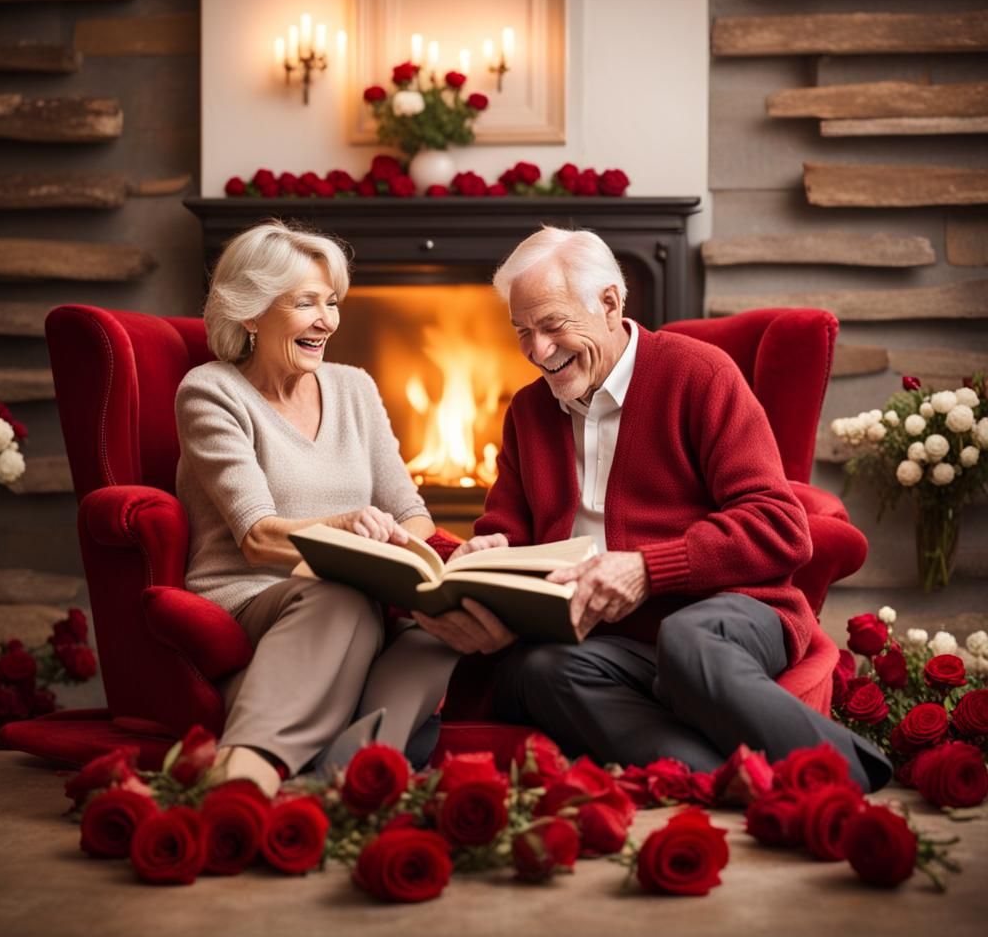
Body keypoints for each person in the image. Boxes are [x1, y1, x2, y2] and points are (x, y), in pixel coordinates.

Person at [413, 226, 892, 793]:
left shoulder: (699, 375)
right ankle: (726, 781)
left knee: (687, 641)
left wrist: (646, 568)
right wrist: (490, 551)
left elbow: (780, 526)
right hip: (606, 640)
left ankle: (849, 773)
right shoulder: (528, 412)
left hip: (727, 612)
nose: (537, 351)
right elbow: (507, 528)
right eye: (523, 331)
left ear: (610, 303)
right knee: (537, 672)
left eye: (553, 325)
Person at [176, 220, 459, 795]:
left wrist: (422, 561)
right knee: (339, 596)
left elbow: (411, 511)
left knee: (441, 632)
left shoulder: (354, 388)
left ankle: (350, 776)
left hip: (360, 597)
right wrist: (345, 530)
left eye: (331, 302)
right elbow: (257, 537)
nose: (327, 320)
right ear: (250, 313)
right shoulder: (210, 392)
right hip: (256, 597)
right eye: (306, 303)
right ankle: (242, 780)